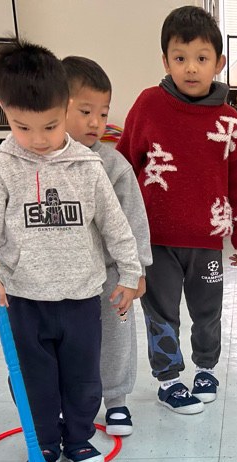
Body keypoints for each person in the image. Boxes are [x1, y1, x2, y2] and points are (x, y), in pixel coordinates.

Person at [0, 40, 143, 462]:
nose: (38, 140)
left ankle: (78, 437)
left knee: (83, 376)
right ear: (4, 110)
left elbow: (116, 226)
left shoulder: (89, 166)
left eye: (50, 126)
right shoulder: (3, 166)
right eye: (23, 127)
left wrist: (130, 273)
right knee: (34, 378)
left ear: (65, 108)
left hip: (82, 298)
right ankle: (44, 442)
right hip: (24, 299)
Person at [116, 5, 237, 414]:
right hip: (155, 239)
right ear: (165, 61)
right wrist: (118, 232)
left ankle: (206, 369)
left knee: (207, 311)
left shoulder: (229, 120)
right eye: (180, 58)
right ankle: (169, 380)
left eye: (201, 58)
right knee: (161, 312)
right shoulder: (148, 105)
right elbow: (123, 167)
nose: (191, 68)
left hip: (207, 239)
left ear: (218, 63)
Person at [63, 55, 151, 437]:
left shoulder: (114, 165)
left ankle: (116, 400)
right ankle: (68, 403)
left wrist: (137, 270)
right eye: (86, 112)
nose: (96, 123)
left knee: (117, 337)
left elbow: (135, 219)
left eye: (103, 113)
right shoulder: (42, 164)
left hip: (113, 275)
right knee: (70, 344)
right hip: (66, 278)